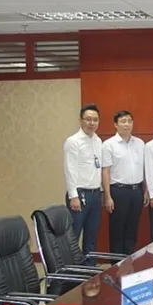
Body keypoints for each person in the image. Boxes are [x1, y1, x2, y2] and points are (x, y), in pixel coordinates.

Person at [102, 110, 148, 255]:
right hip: (118, 191)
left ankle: (129, 260)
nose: (127, 124)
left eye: (129, 121)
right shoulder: (109, 145)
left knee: (132, 229)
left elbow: (144, 169)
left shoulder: (140, 143)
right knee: (117, 230)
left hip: (137, 191)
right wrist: (107, 196)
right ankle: (116, 264)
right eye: (123, 121)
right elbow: (105, 171)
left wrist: (145, 190)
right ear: (115, 125)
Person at [62, 103, 103, 264]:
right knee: (73, 236)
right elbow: (69, 169)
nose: (92, 123)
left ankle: (90, 271)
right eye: (88, 119)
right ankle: (70, 271)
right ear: (80, 120)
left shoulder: (98, 140)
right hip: (79, 195)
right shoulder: (73, 141)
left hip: (95, 194)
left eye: (95, 120)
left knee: (91, 236)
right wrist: (73, 196)